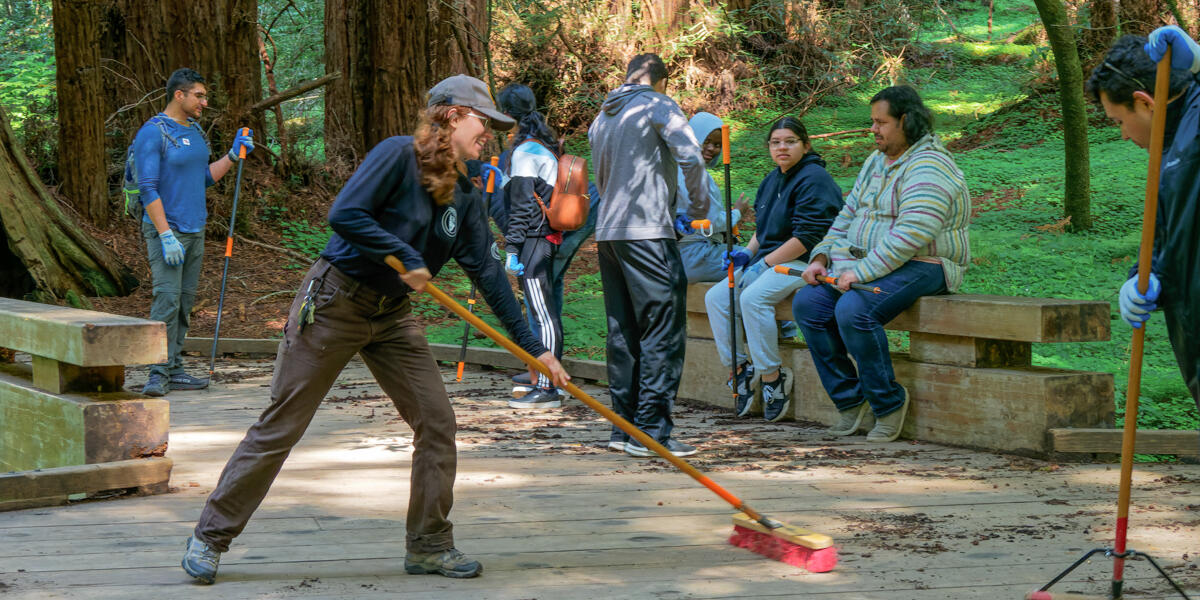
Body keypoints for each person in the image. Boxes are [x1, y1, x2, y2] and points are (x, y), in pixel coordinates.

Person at [180, 75, 570, 585]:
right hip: (336, 301)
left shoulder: (467, 194)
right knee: (284, 423)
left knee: (437, 421)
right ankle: (210, 537)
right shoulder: (396, 156)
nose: (489, 135)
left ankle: (429, 544)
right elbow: (344, 215)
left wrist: (535, 349)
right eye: (483, 123)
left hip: (391, 316)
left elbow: (491, 277)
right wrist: (407, 256)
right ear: (451, 116)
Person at [793, 85, 970, 443]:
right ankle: (850, 401)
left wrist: (859, 272)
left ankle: (888, 403)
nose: (873, 129)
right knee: (807, 303)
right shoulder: (876, 160)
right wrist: (822, 257)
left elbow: (911, 234)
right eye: (872, 121)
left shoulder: (931, 165)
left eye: (881, 122)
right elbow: (847, 215)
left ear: (906, 121)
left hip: (927, 262)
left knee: (854, 309)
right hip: (872, 263)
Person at [588, 53, 710, 458]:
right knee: (661, 329)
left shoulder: (602, 117)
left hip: (609, 233)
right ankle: (653, 431)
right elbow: (691, 156)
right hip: (648, 233)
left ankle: (623, 429)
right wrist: (698, 211)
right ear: (661, 82)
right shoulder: (659, 105)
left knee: (623, 332)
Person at [1087, 29, 1200, 419]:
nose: (1120, 134)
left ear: (1143, 102)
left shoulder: (1194, 130)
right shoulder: (1171, 154)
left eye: (1118, 120)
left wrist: (1199, 62)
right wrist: (1146, 276)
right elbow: (1175, 235)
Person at [704, 117, 841, 421]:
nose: (782, 147)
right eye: (776, 142)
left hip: (804, 260)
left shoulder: (814, 178)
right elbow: (762, 230)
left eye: (790, 141)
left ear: (805, 145)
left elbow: (807, 237)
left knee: (752, 298)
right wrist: (746, 254)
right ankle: (740, 369)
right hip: (770, 259)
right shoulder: (771, 179)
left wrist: (764, 264)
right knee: (715, 297)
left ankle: (771, 377)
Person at [134, 68, 254, 397]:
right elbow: (147, 187)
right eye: (199, 95)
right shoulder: (153, 132)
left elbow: (202, 177)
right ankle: (157, 372)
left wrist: (232, 155)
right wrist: (165, 235)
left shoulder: (196, 130)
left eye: (205, 96)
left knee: (185, 303)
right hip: (167, 232)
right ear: (179, 95)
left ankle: (174, 368)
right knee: (167, 301)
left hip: (194, 230)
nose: (204, 101)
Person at [495, 83, 567, 409]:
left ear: (508, 115)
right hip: (541, 238)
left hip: (535, 241)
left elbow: (523, 207)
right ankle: (541, 375)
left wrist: (511, 248)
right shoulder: (542, 145)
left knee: (543, 313)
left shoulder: (525, 152)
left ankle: (549, 387)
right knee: (542, 309)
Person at [674, 111, 751, 284]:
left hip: (680, 255)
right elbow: (711, 223)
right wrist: (737, 213)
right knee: (756, 262)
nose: (711, 148)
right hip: (697, 255)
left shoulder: (678, 168)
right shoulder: (693, 174)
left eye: (717, 144)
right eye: (706, 141)